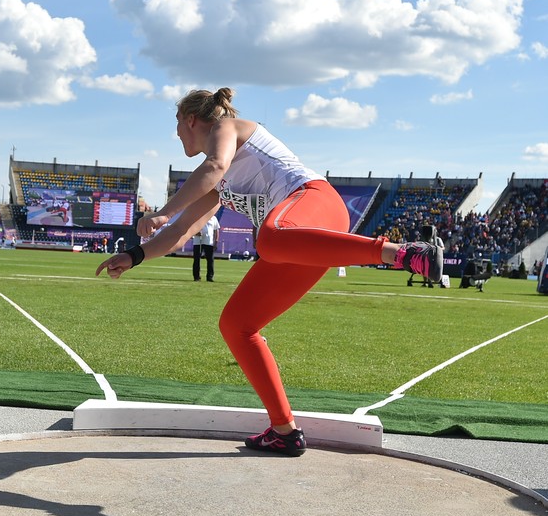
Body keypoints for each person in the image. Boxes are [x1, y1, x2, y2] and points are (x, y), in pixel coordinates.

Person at [96, 88, 443, 457]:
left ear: (190, 119)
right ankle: (284, 430)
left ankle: (402, 253)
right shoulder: (219, 184)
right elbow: (181, 232)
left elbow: (212, 167)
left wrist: (162, 210)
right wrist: (133, 257)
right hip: (300, 242)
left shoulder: (227, 128)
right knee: (236, 324)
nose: (177, 135)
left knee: (270, 238)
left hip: (315, 206)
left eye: (177, 125)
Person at [192, 214, 220, 281]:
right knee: (197, 259)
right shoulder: (197, 216)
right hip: (198, 241)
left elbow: (216, 230)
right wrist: (196, 233)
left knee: (210, 260)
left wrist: (216, 241)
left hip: (209, 242)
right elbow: (191, 228)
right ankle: (196, 277)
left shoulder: (213, 218)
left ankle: (210, 277)